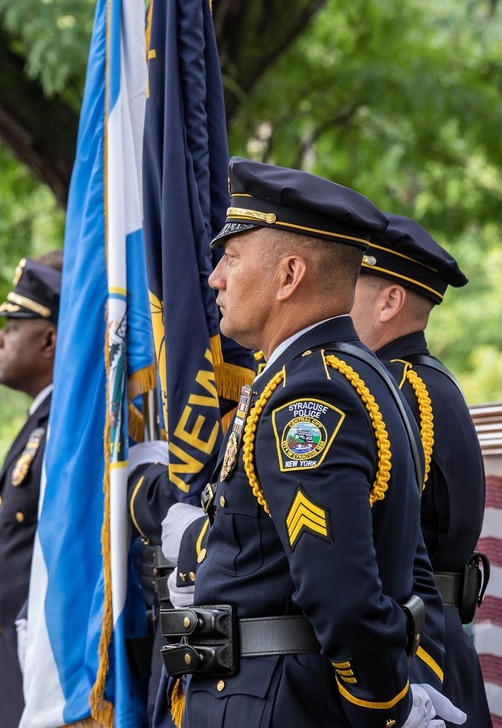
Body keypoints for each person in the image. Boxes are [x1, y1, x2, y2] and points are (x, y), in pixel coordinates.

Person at [159, 157, 462, 727]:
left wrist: (387, 708)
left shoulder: (311, 395)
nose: (214, 277)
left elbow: (343, 595)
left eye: (231, 257)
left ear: (289, 275)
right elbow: (403, 562)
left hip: (274, 705)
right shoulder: (352, 375)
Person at [350, 213, 491, 727]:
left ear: (390, 301)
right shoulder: (425, 381)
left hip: (416, 660)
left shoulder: (388, 391)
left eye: (350, 284)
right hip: (437, 640)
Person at [0, 253, 61, 728]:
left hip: (44, 650)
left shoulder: (66, 425)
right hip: (12, 643)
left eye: (12, 325)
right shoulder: (38, 422)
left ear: (49, 339)